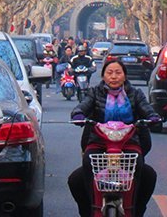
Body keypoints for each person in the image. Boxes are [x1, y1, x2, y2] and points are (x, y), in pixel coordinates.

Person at [68, 59, 161, 217]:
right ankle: (93, 206)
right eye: (109, 73)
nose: (114, 76)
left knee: (141, 166)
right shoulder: (94, 92)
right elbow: (83, 106)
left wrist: (152, 117)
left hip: (129, 143)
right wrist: (78, 114)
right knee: (84, 168)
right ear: (103, 76)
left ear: (124, 76)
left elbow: (146, 109)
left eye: (118, 72)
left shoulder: (135, 94)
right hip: (98, 143)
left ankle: (132, 209)